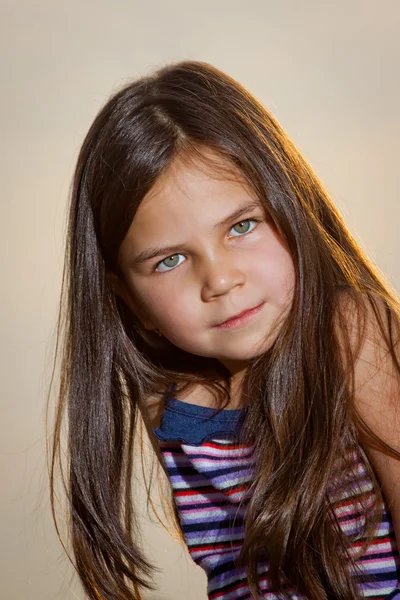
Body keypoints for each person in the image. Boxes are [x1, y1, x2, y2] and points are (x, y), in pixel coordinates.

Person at [48, 60, 400, 600]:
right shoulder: (169, 403)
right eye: (169, 261)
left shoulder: (349, 333)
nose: (219, 279)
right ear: (130, 301)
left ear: (292, 206)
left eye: (242, 226)